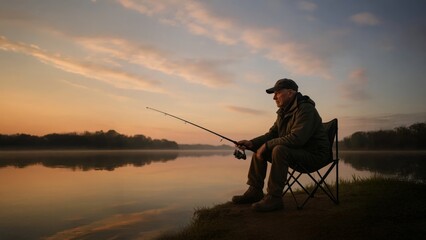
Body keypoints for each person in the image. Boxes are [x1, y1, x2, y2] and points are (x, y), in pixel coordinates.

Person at [233, 78, 330, 212]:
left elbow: (297, 139)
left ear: (290, 93)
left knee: (279, 150)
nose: (274, 97)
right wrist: (252, 143)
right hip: (298, 152)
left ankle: (274, 198)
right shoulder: (283, 112)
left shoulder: (306, 109)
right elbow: (272, 134)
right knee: (259, 148)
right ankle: (255, 191)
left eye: (277, 93)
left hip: (315, 155)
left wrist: (266, 146)